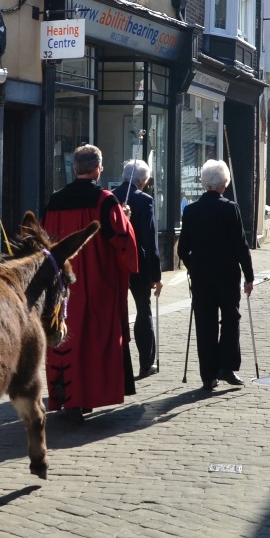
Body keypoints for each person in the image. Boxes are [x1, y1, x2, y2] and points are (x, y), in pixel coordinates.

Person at [43, 145, 138, 418]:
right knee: (93, 341)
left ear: (74, 168)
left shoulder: (54, 201)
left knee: (66, 339)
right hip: (97, 283)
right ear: (98, 168)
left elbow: (43, 241)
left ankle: (66, 398)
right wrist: (127, 220)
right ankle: (87, 397)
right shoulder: (105, 200)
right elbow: (122, 243)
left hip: (63, 285)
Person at [177, 159, 254, 391]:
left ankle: (208, 376)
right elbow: (241, 246)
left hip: (201, 278)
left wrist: (194, 267)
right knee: (231, 319)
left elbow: (182, 250)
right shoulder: (230, 208)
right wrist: (249, 276)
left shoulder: (190, 211)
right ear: (224, 183)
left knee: (205, 324)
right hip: (228, 277)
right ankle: (226, 367)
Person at [113, 159, 163, 380]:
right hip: (139, 266)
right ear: (142, 181)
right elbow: (150, 241)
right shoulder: (145, 200)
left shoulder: (109, 196)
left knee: (115, 313)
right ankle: (146, 363)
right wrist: (156, 275)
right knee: (144, 312)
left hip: (115, 263)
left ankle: (116, 365)